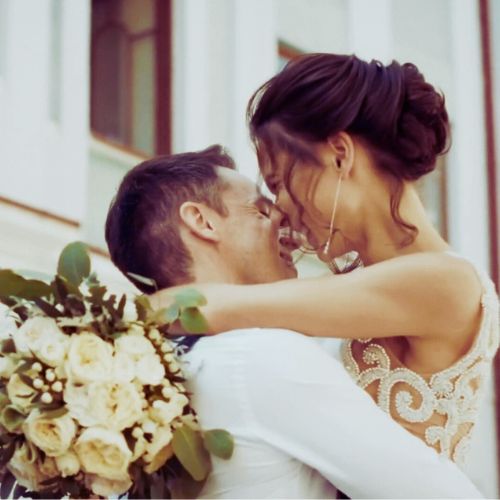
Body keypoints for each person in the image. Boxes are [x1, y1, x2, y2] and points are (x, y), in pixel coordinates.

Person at [151, 54, 499, 466]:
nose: (278, 206)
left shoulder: (447, 282)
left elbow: (208, 307)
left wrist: (113, 328)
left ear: (339, 154)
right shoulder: (360, 283)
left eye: (279, 182)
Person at [105, 146, 482, 498]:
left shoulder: (142, 379)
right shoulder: (259, 355)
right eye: (260, 210)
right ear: (202, 221)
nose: (286, 220)